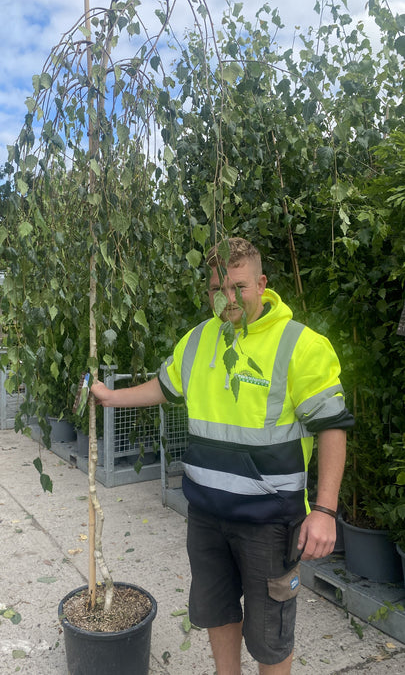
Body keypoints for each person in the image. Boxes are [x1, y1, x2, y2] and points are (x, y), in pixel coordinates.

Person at [91, 237, 353, 675]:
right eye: (218, 288)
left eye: (239, 287)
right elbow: (166, 387)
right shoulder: (198, 340)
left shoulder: (300, 345)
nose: (227, 299)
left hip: (270, 522)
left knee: (270, 636)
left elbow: (331, 428)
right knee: (217, 612)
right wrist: (110, 397)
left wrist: (324, 510)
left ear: (262, 284)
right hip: (207, 516)